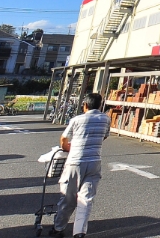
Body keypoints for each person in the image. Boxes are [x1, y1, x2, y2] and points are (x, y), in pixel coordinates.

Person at [50, 92, 109, 238]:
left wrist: (68, 148)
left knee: (68, 197)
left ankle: (58, 228)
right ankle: (79, 232)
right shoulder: (106, 119)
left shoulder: (77, 119)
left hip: (75, 161)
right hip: (94, 162)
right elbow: (104, 136)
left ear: (85, 105)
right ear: (100, 105)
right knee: (86, 198)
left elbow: (64, 139)